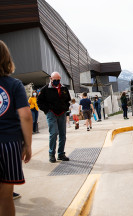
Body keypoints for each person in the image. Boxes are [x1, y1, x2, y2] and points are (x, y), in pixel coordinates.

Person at [0, 40, 32, 216]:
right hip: (9, 144)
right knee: (5, 196)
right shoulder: (14, 85)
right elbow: (26, 116)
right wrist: (27, 144)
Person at [37, 71, 71, 163]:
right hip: (51, 113)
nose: (57, 81)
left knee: (63, 134)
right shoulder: (45, 89)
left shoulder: (64, 88)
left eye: (58, 80)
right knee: (54, 133)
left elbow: (68, 100)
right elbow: (39, 102)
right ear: (51, 79)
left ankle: (61, 154)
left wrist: (66, 108)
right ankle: (51, 154)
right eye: (55, 80)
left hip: (62, 113)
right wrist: (47, 111)